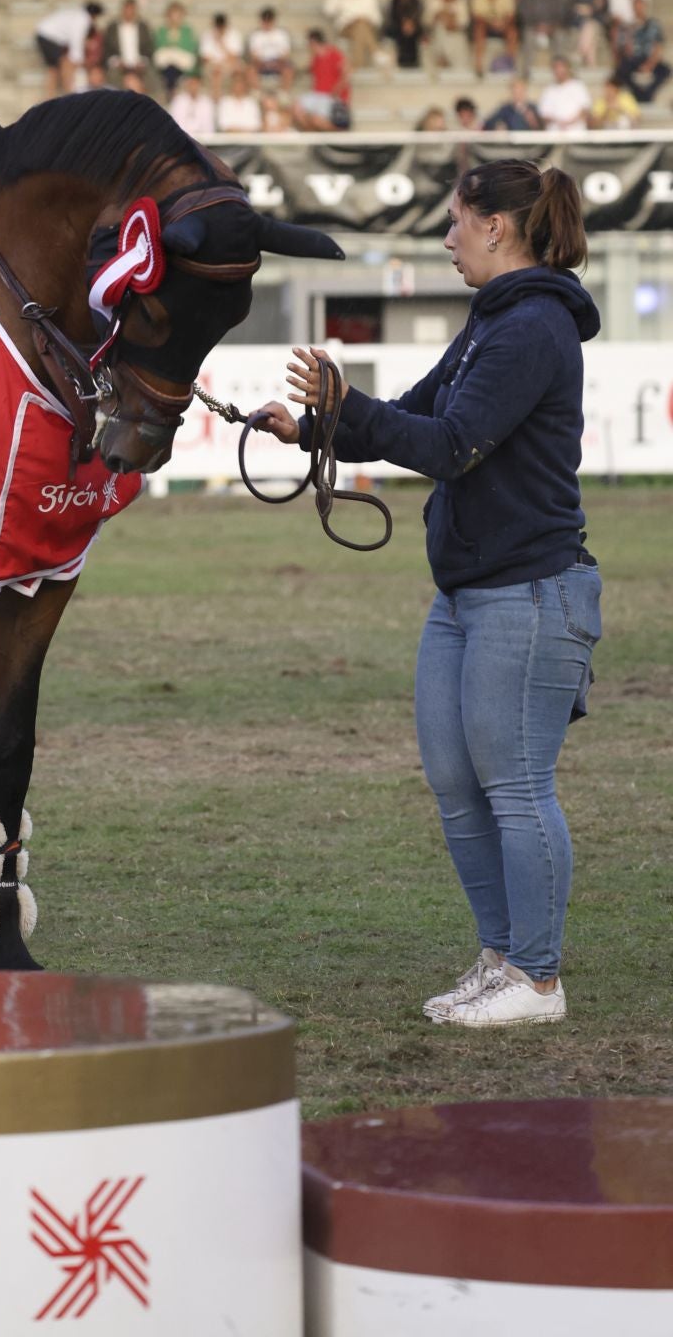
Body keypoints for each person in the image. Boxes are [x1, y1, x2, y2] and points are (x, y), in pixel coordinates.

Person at [257, 159, 601, 1029]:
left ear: (497, 227)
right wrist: (317, 426)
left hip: (527, 595)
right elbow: (414, 411)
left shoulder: (531, 328)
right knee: (457, 783)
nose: (447, 238)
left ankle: (538, 978)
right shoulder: (495, 320)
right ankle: (501, 960)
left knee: (516, 787)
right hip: (469, 594)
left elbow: (451, 444)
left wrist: (348, 405)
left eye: (456, 221)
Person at [34, 0, 103, 97]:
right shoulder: (83, 19)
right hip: (49, 37)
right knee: (65, 64)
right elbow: (76, 42)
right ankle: (69, 95)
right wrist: (79, 61)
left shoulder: (76, 14)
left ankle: (50, 97)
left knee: (53, 69)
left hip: (44, 34)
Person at [615, 0, 670, 104]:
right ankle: (639, 94)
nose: (639, 8)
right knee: (620, 71)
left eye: (641, 5)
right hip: (633, 58)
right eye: (636, 5)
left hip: (649, 58)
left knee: (666, 70)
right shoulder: (626, 25)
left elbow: (658, 45)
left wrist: (651, 63)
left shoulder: (654, 24)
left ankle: (647, 93)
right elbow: (621, 48)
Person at [322, 0, 381, 69]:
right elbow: (328, 11)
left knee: (360, 27)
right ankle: (376, 53)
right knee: (360, 27)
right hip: (346, 27)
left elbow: (377, 18)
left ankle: (357, 64)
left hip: (365, 25)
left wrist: (363, 20)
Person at [469, 0, 519, 77]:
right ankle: (479, 65)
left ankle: (510, 63)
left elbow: (511, 16)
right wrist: (492, 23)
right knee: (478, 29)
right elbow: (477, 17)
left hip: (503, 26)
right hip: (485, 26)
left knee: (513, 32)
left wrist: (502, 24)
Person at [102, 0, 155, 91]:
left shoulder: (143, 27)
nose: (129, 12)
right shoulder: (112, 27)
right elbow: (107, 49)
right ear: (122, 10)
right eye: (127, 9)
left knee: (152, 75)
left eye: (132, 9)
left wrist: (142, 61)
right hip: (119, 64)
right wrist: (117, 62)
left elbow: (149, 48)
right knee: (112, 76)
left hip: (139, 64)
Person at [423, 0, 470, 73]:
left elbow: (462, 23)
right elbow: (428, 21)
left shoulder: (461, 0)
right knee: (438, 32)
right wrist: (443, 16)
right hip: (437, 37)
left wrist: (447, 17)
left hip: (455, 38)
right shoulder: (433, 0)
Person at [153, 1, 199, 95]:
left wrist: (174, 48)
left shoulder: (187, 30)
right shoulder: (162, 30)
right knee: (166, 60)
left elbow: (190, 47)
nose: (175, 19)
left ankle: (171, 87)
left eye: (178, 16)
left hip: (181, 59)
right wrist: (172, 48)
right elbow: (159, 45)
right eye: (172, 15)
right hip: (167, 59)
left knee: (176, 61)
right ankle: (172, 87)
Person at [538, 56, 591, 134]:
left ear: (567, 68)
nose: (559, 70)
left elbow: (585, 109)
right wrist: (559, 122)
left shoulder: (578, 86)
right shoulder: (548, 90)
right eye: (556, 68)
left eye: (561, 67)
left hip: (577, 135)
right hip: (554, 136)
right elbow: (544, 114)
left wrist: (569, 122)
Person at [246, 6, 293, 86]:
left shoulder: (282, 34)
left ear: (273, 21)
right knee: (250, 70)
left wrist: (277, 62)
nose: (267, 23)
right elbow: (253, 55)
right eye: (265, 20)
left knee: (288, 70)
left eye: (269, 20)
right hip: (261, 62)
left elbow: (286, 54)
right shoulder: (256, 35)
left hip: (278, 61)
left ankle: (283, 93)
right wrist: (263, 62)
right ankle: (257, 92)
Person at [198, 10, 244, 90]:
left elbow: (234, 57)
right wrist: (217, 64)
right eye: (218, 26)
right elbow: (205, 58)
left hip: (229, 64)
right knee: (216, 73)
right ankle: (216, 99)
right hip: (212, 64)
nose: (220, 28)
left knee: (240, 70)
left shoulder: (234, 34)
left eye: (222, 26)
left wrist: (221, 43)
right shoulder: (207, 35)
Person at [386, 0, 423, 70]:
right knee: (401, 33)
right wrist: (403, 24)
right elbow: (392, 17)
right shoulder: (395, 0)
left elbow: (418, 17)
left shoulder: (416, 1)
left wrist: (411, 24)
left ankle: (413, 63)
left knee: (413, 33)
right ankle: (402, 62)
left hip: (413, 29)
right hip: (397, 28)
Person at [215, 67, 264, 133]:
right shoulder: (225, 102)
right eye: (236, 82)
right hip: (228, 140)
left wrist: (240, 130)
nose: (238, 86)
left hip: (250, 140)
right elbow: (223, 124)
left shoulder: (252, 102)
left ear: (245, 85)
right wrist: (237, 130)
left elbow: (256, 124)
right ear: (231, 84)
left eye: (240, 83)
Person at [168, 71, 215, 138]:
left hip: (203, 141)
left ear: (200, 84)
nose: (193, 86)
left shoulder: (207, 102)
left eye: (195, 83)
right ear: (186, 84)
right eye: (191, 83)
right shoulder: (178, 101)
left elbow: (209, 126)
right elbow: (175, 124)